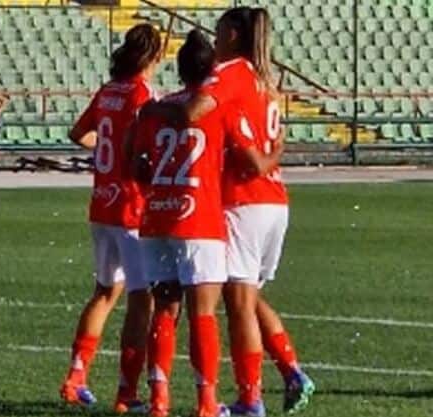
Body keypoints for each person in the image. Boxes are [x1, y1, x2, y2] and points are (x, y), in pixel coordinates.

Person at [130, 29, 282, 417]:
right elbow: (248, 158)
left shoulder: (157, 108)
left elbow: (136, 165)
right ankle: (205, 402)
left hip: (157, 216)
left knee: (164, 308)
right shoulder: (217, 105)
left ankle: (159, 401)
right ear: (212, 68)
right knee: (203, 313)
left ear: (180, 69)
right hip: (199, 219)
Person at [214, 8, 315, 416]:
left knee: (237, 303)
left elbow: (203, 106)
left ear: (235, 34)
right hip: (274, 201)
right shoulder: (265, 80)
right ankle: (292, 371)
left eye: (220, 30)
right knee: (248, 296)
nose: (215, 37)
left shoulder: (232, 72)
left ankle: (249, 400)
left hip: (245, 199)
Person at [60, 23, 161, 413]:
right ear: (152, 57)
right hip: (132, 210)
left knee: (104, 293)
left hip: (102, 204)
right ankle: (127, 393)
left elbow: (77, 133)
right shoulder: (142, 94)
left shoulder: (108, 91)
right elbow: (147, 150)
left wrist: (106, 150)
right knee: (142, 301)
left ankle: (75, 377)